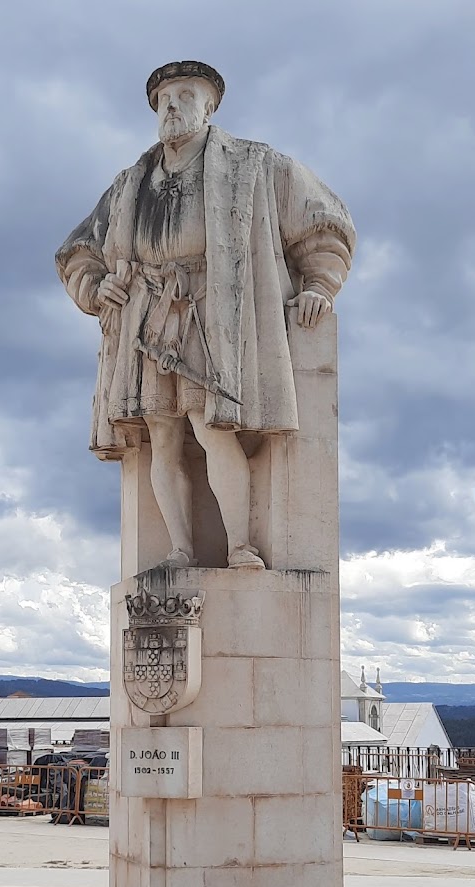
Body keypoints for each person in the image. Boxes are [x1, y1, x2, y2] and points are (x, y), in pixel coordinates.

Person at [56, 61, 355, 569]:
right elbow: (78, 251)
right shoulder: (131, 183)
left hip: (217, 311)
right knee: (162, 432)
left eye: (186, 94)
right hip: (147, 313)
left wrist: (319, 285)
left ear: (210, 105)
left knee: (212, 426)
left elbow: (324, 224)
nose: (172, 105)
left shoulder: (255, 165)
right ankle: (179, 549)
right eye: (164, 97)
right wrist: (96, 284)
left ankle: (239, 544)